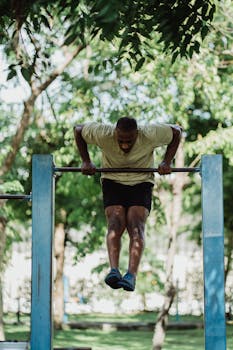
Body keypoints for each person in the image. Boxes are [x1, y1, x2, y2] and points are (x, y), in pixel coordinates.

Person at [74, 117, 182, 292]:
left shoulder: (149, 134)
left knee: (136, 225)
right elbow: (78, 129)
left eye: (129, 141)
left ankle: (131, 275)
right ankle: (114, 270)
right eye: (121, 141)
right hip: (112, 180)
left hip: (141, 181)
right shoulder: (104, 134)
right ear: (115, 133)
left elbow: (176, 131)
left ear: (136, 134)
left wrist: (167, 161)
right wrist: (86, 160)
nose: (124, 145)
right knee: (116, 223)